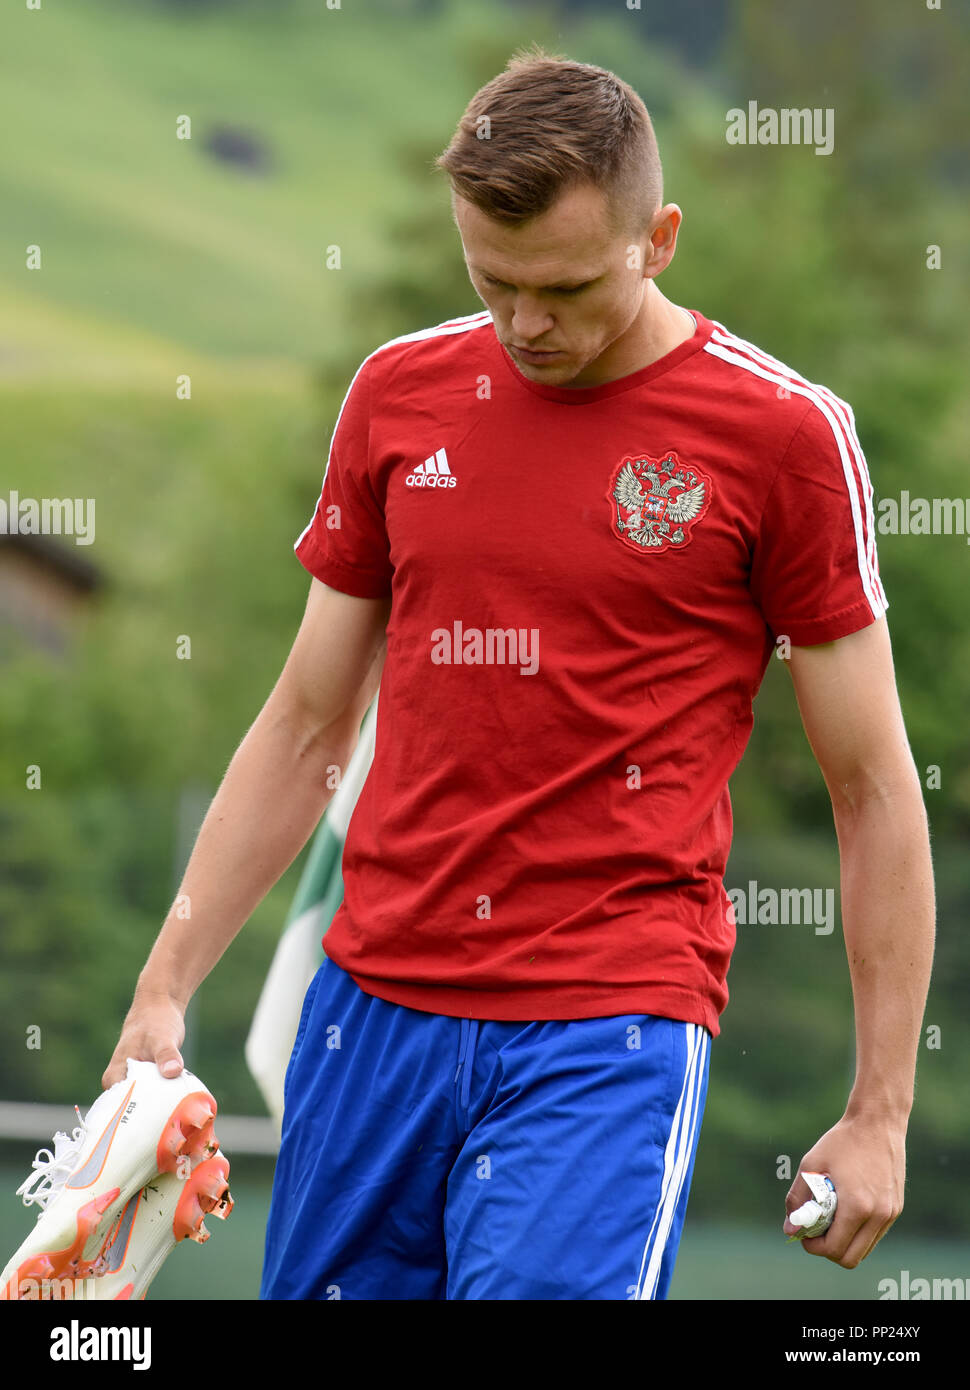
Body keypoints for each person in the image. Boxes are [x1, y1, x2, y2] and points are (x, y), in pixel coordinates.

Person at [103, 49, 935, 1300]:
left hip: (608, 1027)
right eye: (492, 282)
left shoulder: (783, 437)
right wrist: (163, 986)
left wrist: (879, 1109)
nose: (527, 323)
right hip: (367, 1013)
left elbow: (873, 786)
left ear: (658, 238)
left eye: (565, 286)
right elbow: (306, 723)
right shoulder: (398, 395)